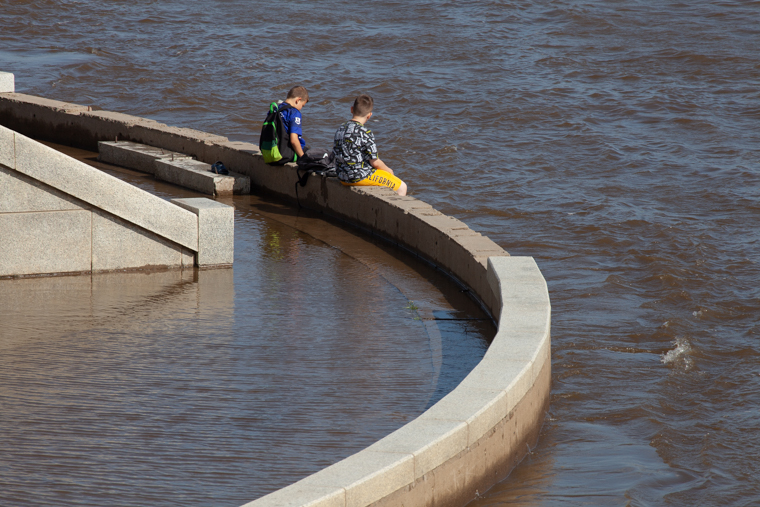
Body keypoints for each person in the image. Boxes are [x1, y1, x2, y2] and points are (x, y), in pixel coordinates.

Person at [333, 94, 407, 196]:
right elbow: (375, 163)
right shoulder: (365, 132)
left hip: (342, 176)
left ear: (351, 109)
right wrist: (389, 170)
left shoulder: (340, 128)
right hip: (357, 177)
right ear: (369, 115)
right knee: (402, 187)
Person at [277, 85, 309, 158]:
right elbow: (294, 141)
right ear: (298, 100)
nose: (301, 108)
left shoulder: (275, 108)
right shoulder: (294, 113)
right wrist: (303, 158)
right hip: (284, 153)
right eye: (302, 105)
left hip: (272, 151)